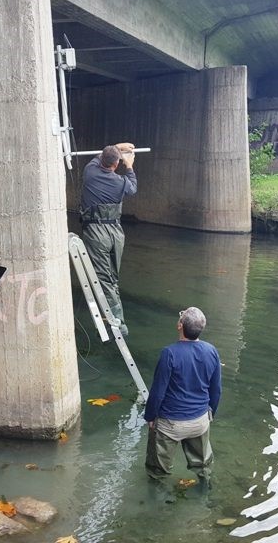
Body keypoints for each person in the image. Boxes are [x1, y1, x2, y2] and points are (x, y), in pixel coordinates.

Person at [144, 307, 221, 482]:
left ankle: (157, 501)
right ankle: (205, 492)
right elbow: (216, 390)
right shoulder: (211, 351)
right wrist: (209, 415)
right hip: (200, 421)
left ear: (180, 325)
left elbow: (157, 392)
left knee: (158, 470)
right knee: (203, 466)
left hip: (170, 424)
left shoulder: (169, 353)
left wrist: (150, 416)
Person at [80, 142, 137, 336]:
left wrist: (117, 147)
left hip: (96, 232)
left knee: (104, 278)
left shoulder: (90, 171)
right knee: (111, 278)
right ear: (116, 164)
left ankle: (117, 322)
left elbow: (101, 154)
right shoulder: (120, 182)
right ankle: (113, 317)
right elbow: (133, 188)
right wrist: (129, 164)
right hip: (115, 233)